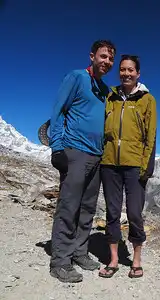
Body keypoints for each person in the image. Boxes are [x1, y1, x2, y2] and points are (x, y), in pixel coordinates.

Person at [48, 40, 116, 283]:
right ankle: (60, 261)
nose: (107, 62)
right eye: (103, 56)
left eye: (110, 58)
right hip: (75, 150)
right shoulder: (76, 77)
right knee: (69, 205)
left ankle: (80, 252)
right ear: (92, 56)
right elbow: (58, 110)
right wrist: (57, 148)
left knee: (87, 208)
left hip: (97, 155)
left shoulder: (105, 90)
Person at [98, 55, 157, 278]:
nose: (126, 73)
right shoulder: (110, 97)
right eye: (122, 70)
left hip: (134, 165)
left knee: (134, 213)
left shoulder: (147, 100)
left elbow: (151, 135)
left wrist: (146, 166)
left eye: (130, 70)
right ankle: (113, 259)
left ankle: (136, 259)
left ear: (138, 73)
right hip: (110, 163)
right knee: (112, 212)